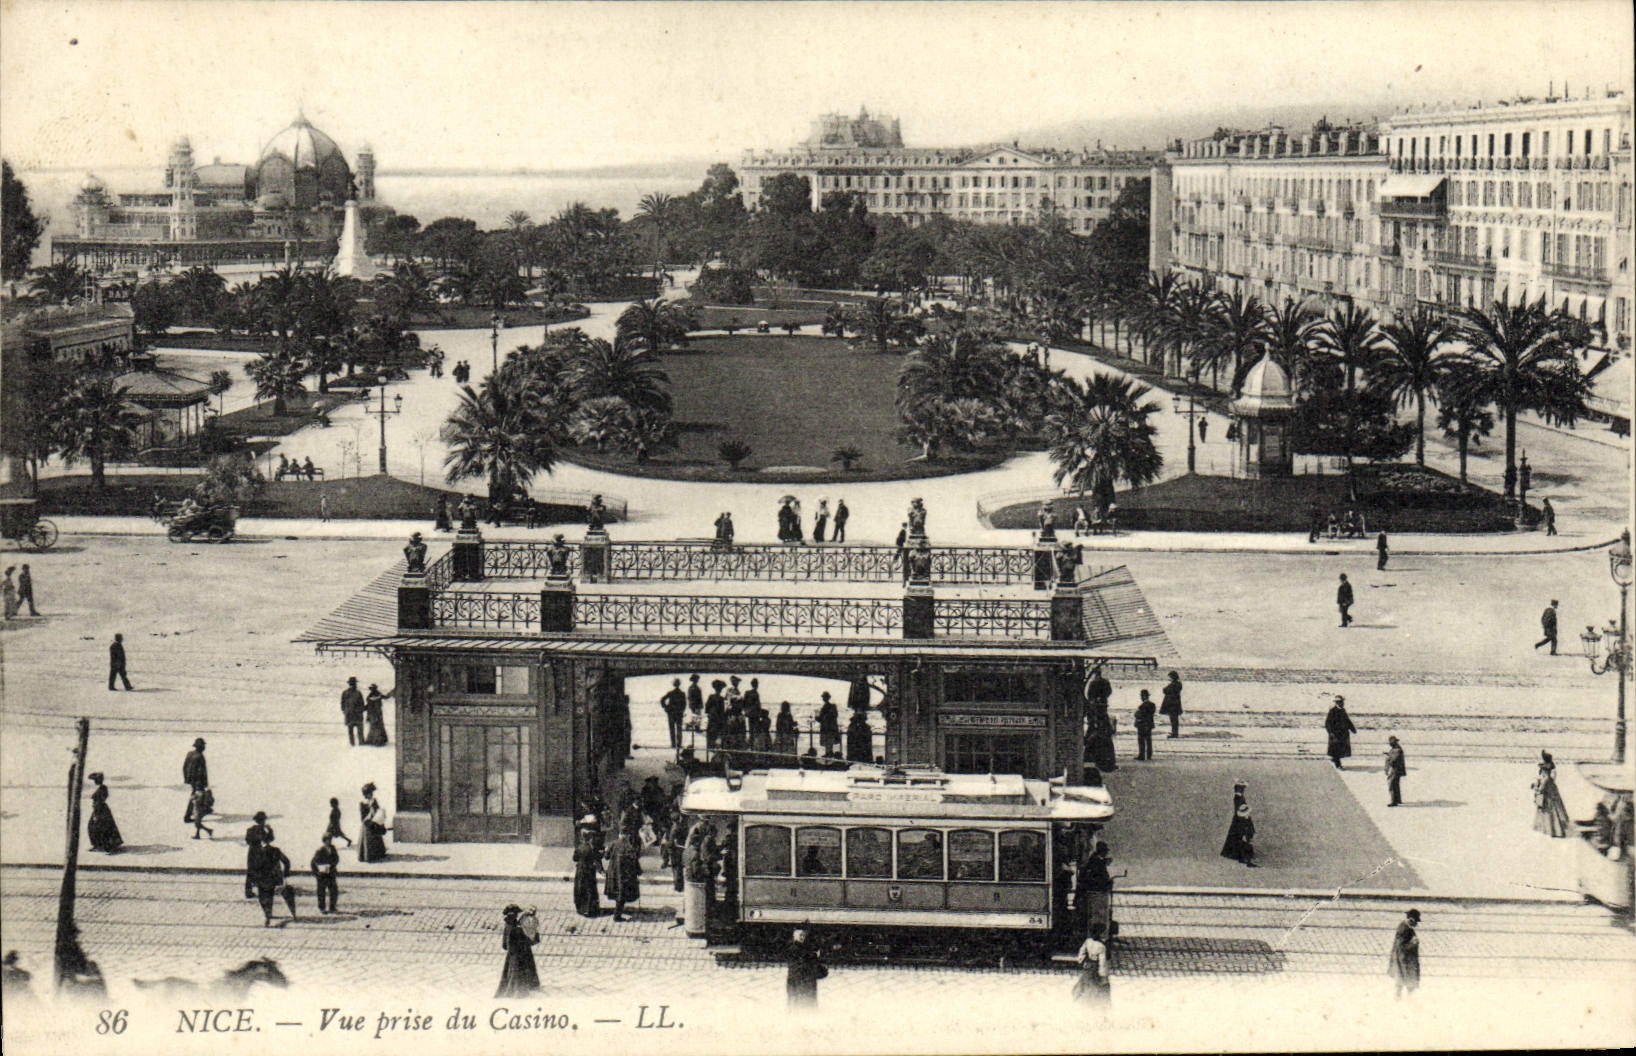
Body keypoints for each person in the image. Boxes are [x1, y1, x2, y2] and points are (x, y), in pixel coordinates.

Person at [249, 836, 296, 926]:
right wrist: (285, 875)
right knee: (268, 897)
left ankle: (267, 915)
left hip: (262, 879)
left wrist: (253, 880)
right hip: (273, 878)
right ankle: (270, 915)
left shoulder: (258, 852)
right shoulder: (276, 850)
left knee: (263, 898)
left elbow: (254, 867)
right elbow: (286, 862)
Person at [495, 905, 541, 997]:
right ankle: (517, 990)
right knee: (518, 973)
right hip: (519, 954)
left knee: (510, 973)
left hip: (512, 954)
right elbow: (530, 940)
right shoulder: (516, 928)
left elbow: (505, 945)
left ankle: (512, 989)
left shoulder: (509, 925)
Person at [604, 827, 641, 921]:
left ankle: (617, 913)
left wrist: (606, 850)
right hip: (625, 875)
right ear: (627, 836)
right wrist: (638, 871)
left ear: (620, 835)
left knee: (617, 892)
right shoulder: (630, 847)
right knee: (622, 893)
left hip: (614, 873)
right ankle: (617, 915)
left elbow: (606, 857)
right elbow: (634, 861)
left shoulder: (613, 844)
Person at [1531, 750, 1571, 837]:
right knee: (1552, 810)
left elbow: (1544, 782)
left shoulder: (1547, 774)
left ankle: (1552, 830)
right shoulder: (1551, 771)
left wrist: (1538, 788)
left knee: (1548, 810)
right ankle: (1551, 829)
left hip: (1548, 793)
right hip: (1552, 792)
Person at [786, 928, 828, 1010]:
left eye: (803, 936)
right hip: (799, 979)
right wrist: (815, 956)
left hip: (801, 979)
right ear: (795, 937)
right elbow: (805, 959)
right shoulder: (794, 948)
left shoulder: (801, 947)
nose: (802, 937)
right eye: (800, 936)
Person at [1071, 923, 1112, 1006]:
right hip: (1095, 968)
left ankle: (1079, 998)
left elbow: (1082, 951)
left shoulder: (1088, 941)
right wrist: (1103, 975)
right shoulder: (1101, 947)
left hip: (1087, 966)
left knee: (1085, 982)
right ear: (1100, 934)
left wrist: (1081, 960)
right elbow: (1102, 963)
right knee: (1096, 986)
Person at [1220, 781, 1256, 866]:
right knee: (1242, 838)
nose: (1243, 790)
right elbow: (1240, 810)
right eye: (1242, 788)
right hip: (1241, 820)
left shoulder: (1237, 798)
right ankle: (1244, 857)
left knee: (1237, 838)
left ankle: (1238, 855)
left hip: (1239, 820)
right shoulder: (1238, 798)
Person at [1387, 909, 1422, 997]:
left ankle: (1402, 998)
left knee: (1403, 981)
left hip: (1404, 959)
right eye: (1416, 921)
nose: (1416, 924)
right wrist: (1413, 943)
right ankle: (1404, 1000)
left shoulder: (1406, 927)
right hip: (1404, 959)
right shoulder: (1404, 929)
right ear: (1411, 920)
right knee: (1406, 980)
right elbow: (1401, 947)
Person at [86, 772, 123, 853]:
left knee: (102, 827)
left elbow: (101, 799)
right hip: (99, 808)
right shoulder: (101, 787)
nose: (95, 782)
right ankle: (98, 845)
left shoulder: (102, 788)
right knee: (94, 827)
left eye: (96, 780)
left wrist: (97, 810)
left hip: (100, 809)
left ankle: (109, 846)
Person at [573, 830, 602, 917]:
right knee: (590, 889)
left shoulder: (579, 847)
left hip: (580, 870)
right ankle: (590, 909)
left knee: (580, 888)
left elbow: (575, 858)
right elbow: (596, 858)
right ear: (589, 839)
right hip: (589, 871)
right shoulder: (591, 848)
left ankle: (581, 908)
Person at [1324, 696, 1357, 769]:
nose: (1342, 703)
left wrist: (1352, 729)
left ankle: (1335, 759)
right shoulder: (1332, 711)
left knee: (1340, 749)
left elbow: (1347, 721)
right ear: (1336, 703)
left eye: (1342, 702)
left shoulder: (1343, 710)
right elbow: (1327, 723)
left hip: (1343, 734)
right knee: (1336, 749)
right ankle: (1338, 764)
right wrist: (1331, 732)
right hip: (1336, 734)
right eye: (1340, 702)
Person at [310, 835, 341, 914]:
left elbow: (337, 859)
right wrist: (316, 873)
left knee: (334, 891)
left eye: (330, 840)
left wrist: (332, 865)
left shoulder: (333, 849)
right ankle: (322, 908)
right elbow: (313, 862)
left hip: (331, 873)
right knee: (321, 892)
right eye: (327, 840)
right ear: (324, 841)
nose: (329, 841)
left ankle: (332, 907)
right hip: (322, 875)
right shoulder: (320, 850)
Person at [359, 783, 389, 862]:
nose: (370, 795)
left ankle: (378, 854)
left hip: (374, 822)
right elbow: (362, 816)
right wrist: (369, 816)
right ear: (365, 794)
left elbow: (377, 810)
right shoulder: (363, 803)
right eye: (368, 794)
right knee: (368, 840)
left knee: (376, 838)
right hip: (367, 823)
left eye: (371, 794)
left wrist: (378, 815)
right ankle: (368, 856)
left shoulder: (374, 801)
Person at [182, 736, 209, 821]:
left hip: (191, 779)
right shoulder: (200, 756)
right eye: (203, 746)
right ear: (201, 747)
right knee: (196, 797)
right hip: (198, 781)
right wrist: (204, 783)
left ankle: (203, 810)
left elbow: (184, 767)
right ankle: (188, 815)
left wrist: (186, 778)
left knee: (196, 796)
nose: (204, 748)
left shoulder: (190, 754)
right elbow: (202, 772)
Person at [660, 678, 687, 750]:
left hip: (671, 713)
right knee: (679, 729)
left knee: (672, 729)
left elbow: (662, 700)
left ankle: (673, 744)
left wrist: (666, 708)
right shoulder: (682, 693)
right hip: (678, 714)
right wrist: (681, 711)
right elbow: (684, 704)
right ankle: (679, 744)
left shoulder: (671, 693)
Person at [340, 676, 366, 746]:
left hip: (351, 715)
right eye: (354, 683)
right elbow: (362, 704)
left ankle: (354, 744)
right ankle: (359, 743)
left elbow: (342, 705)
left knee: (352, 731)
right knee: (357, 731)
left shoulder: (345, 693)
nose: (354, 685)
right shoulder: (357, 693)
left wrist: (345, 711)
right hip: (356, 715)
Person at [1159, 671, 1183, 739]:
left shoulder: (1174, 684)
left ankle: (1174, 733)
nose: (1169, 679)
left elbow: (1165, 690)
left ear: (1173, 677)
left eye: (1170, 677)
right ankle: (1174, 732)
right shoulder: (1177, 684)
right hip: (1175, 704)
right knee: (1174, 719)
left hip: (1172, 705)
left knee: (1173, 719)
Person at [1384, 736, 1407, 807]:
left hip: (1395, 769)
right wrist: (1388, 754)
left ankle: (1394, 801)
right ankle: (1398, 800)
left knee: (1392, 784)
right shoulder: (1396, 748)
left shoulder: (1397, 749)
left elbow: (1394, 760)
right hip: (1397, 770)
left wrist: (1388, 759)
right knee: (1396, 784)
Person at [1133, 691, 1156, 761]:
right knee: (1148, 740)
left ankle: (1141, 755)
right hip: (1149, 724)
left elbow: (1138, 715)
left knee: (1141, 740)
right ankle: (1149, 755)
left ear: (1144, 696)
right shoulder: (1152, 705)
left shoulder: (1142, 706)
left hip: (1142, 725)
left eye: (1142, 696)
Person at [704, 680, 726, 750]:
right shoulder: (721, 699)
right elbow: (722, 711)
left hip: (713, 720)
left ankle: (711, 747)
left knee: (711, 735)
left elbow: (706, 709)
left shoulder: (711, 697)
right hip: (716, 720)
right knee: (716, 735)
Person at [817, 692, 841, 756]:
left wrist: (820, 718)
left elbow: (832, 716)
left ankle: (829, 753)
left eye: (824, 697)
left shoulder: (830, 707)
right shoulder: (830, 706)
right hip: (829, 727)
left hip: (828, 727)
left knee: (829, 741)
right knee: (828, 741)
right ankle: (828, 752)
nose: (823, 699)